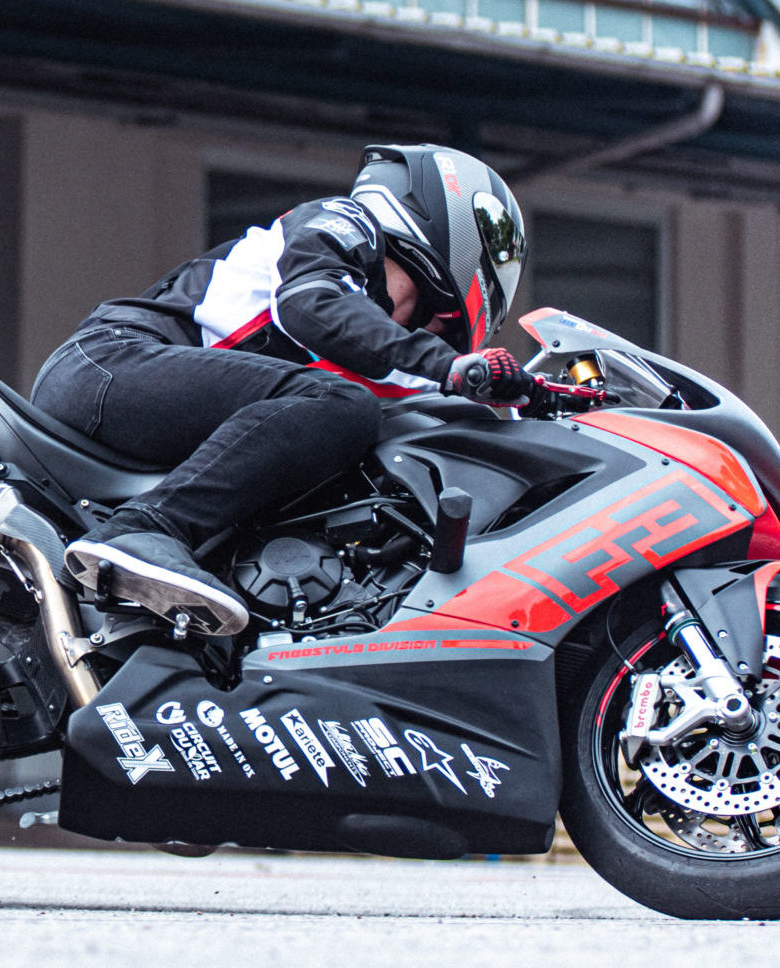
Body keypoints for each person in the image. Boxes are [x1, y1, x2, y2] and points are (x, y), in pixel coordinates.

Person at [31, 143, 531, 637]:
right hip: (107, 364)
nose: (423, 336)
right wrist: (451, 365)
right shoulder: (343, 225)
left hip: (146, 399)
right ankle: (145, 530)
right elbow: (311, 306)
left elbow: (443, 415)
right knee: (341, 404)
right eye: (426, 321)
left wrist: (540, 405)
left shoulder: (380, 350)